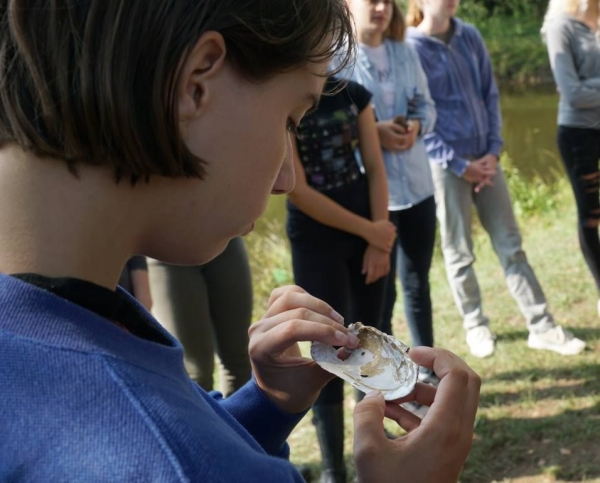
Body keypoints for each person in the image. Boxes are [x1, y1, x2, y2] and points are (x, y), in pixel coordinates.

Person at [0, 1, 481, 481]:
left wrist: (267, 408)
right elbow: (182, 458)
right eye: (291, 119)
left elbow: (182, 435)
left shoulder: (83, 323)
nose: (287, 180)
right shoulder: (172, 462)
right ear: (196, 82)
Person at [405, 0, 586, 357]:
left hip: (487, 161)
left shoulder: (470, 35)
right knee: (459, 253)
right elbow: (418, 116)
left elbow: (489, 94)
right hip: (446, 167)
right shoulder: (411, 47)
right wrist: (458, 164)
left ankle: (542, 326)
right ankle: (476, 325)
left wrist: (493, 151)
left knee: (510, 243)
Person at [287, 76, 394, 483]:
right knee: (329, 347)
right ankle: (335, 470)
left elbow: (375, 167)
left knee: (372, 338)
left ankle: (374, 447)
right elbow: (297, 189)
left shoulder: (354, 94)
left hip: (368, 232)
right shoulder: (286, 94)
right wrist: (370, 231)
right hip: (316, 239)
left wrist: (380, 237)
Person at [343, 0, 438, 384]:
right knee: (378, 302)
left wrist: (415, 126)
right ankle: (380, 381)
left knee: (419, 283)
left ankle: (428, 371)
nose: (381, 8)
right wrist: (372, 133)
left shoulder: (405, 51)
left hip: (417, 187)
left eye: (387, 1)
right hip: (373, 199)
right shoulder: (338, 60)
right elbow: (326, 130)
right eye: (371, 1)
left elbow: (427, 107)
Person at [542, 0, 600, 315]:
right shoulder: (559, 26)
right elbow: (571, 92)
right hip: (579, 135)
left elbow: (579, 90)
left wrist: (586, 87)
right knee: (591, 216)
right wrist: (581, 89)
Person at [148, 237, 253, 396]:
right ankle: (207, 420)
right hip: (165, 253)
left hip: (224, 237)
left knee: (240, 361)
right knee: (196, 373)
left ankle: (240, 420)